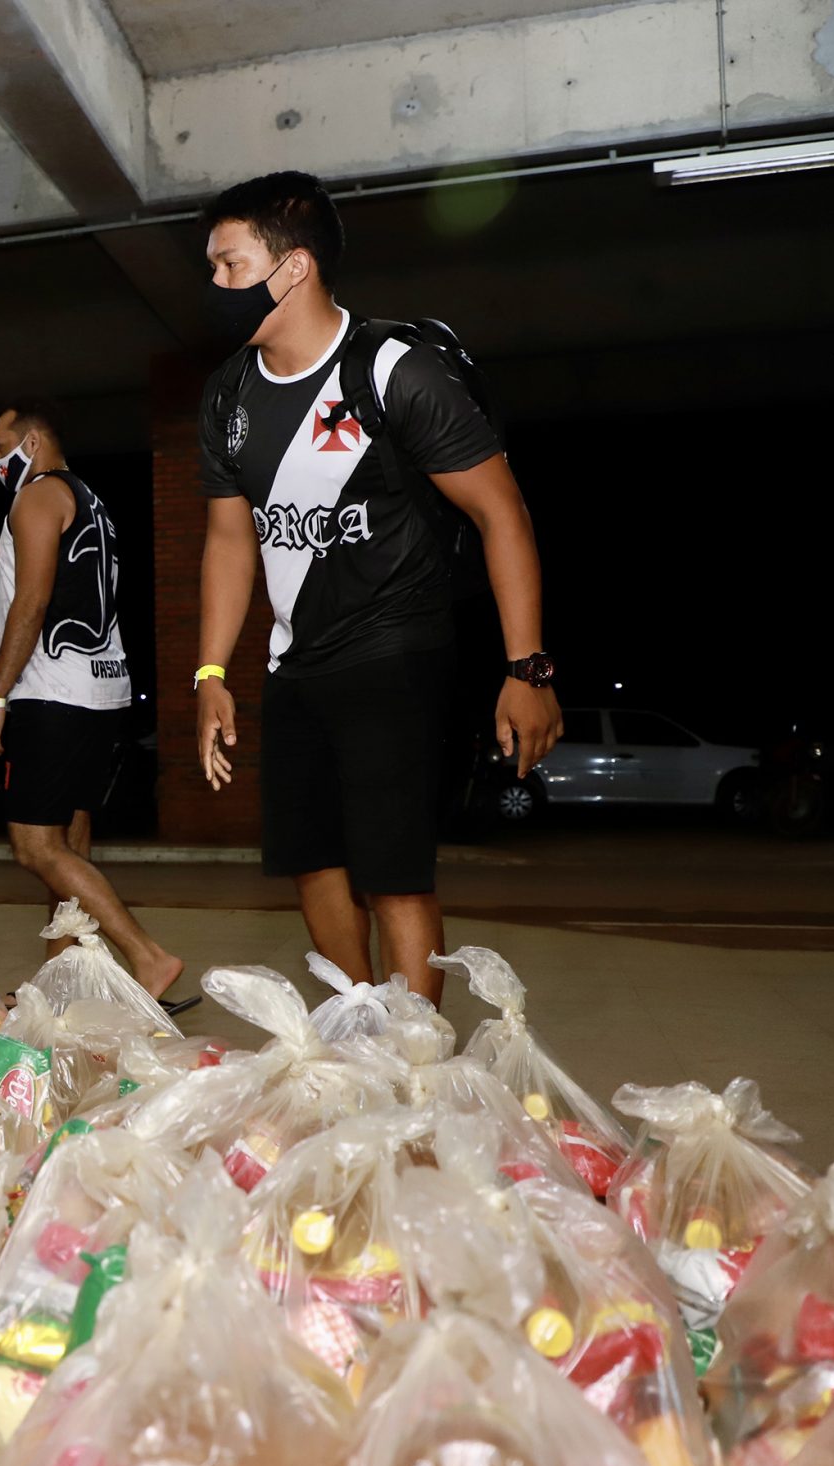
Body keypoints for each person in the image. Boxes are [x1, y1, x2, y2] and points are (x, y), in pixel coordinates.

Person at [191, 172, 563, 1004]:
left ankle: (418, 1064)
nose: (213, 284)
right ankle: (360, 1035)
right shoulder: (228, 394)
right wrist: (210, 671)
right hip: (295, 665)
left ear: (292, 269)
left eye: (228, 263)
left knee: (394, 874)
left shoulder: (395, 368)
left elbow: (505, 514)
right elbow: (227, 538)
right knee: (312, 862)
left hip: (395, 651)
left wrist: (528, 668)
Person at [0, 400, 187, 1004]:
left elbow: (31, 602)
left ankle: (148, 957)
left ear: (32, 442)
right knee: (68, 844)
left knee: (34, 846)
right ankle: (60, 983)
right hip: (101, 689)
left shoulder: (37, 496)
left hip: (52, 693)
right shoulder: (92, 500)